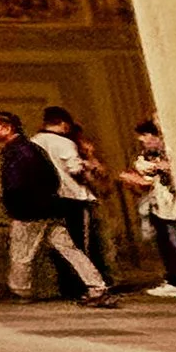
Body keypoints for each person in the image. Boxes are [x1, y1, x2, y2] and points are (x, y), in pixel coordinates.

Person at [0, 109, 113, 301]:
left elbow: (16, 184)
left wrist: (17, 205)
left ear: (8, 128)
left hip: (29, 210)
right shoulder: (30, 148)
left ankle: (20, 290)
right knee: (69, 249)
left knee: (22, 252)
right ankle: (97, 286)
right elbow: (51, 178)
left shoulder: (20, 150)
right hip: (49, 207)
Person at [120, 123, 176, 304]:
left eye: (146, 137)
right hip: (162, 206)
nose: (144, 142)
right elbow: (147, 179)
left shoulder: (172, 149)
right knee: (170, 244)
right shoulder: (150, 155)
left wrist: (160, 168)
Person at [35, 108, 105, 273]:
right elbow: (74, 170)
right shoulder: (64, 143)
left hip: (50, 199)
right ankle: (86, 282)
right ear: (64, 124)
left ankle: (66, 282)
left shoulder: (34, 142)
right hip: (74, 197)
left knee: (60, 244)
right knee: (80, 243)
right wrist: (87, 167)